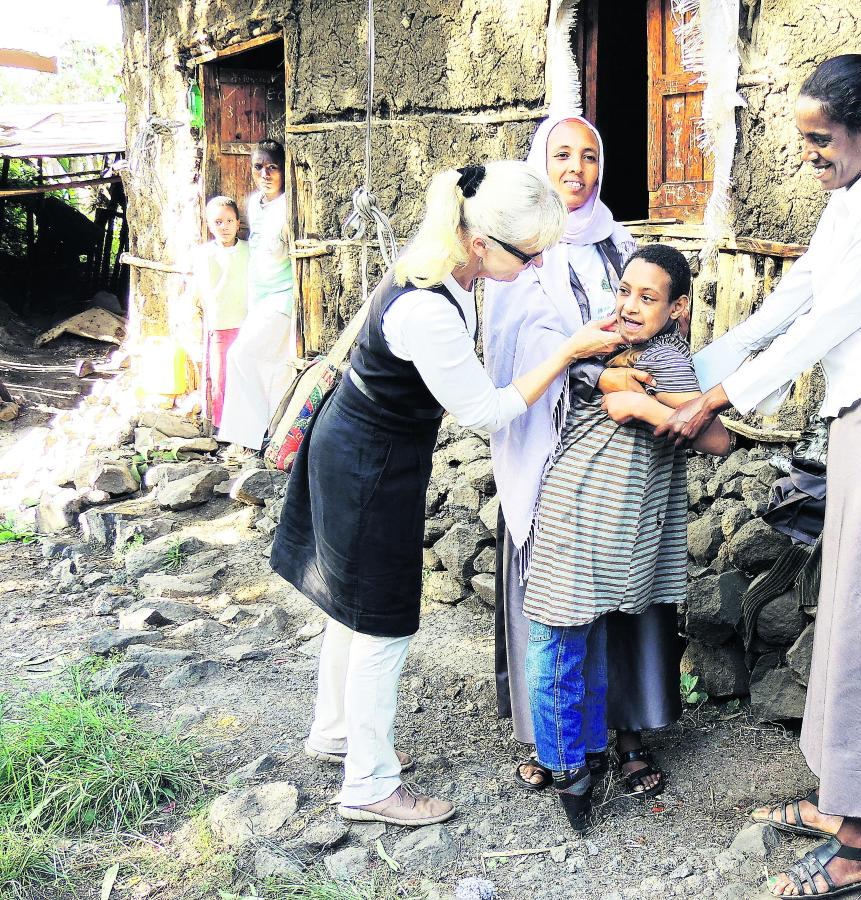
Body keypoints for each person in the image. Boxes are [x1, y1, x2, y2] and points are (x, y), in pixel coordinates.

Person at [656, 55, 861, 897]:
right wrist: (690, 371)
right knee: (855, 613)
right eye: (802, 139)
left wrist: (715, 397)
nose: (808, 153)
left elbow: (827, 325)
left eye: (820, 138)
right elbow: (791, 301)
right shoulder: (851, 205)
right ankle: (849, 804)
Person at [270, 161, 622, 827]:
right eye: (533, 254)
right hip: (368, 463)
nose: (541, 263)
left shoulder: (447, 262)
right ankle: (369, 785)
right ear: (482, 243)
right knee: (381, 621)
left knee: (350, 606)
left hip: (365, 447)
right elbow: (486, 412)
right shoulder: (428, 306)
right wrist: (568, 352)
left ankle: (337, 730)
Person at [484, 112, 680, 800]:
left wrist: (634, 377)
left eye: (590, 156)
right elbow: (516, 355)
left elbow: (646, 331)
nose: (577, 169)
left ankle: (625, 733)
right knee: (558, 604)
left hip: (620, 456)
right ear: (540, 164)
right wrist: (600, 376)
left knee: (623, 590)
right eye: (562, 155)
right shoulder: (516, 256)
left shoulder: (617, 245)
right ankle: (554, 739)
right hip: (550, 448)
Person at [522, 245, 731, 832]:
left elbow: (717, 440)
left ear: (679, 307)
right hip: (575, 503)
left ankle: (575, 761)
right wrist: (625, 391)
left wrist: (641, 401)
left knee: (573, 640)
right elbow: (585, 385)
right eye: (625, 291)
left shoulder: (667, 356)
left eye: (649, 296)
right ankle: (570, 763)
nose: (631, 306)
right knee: (562, 638)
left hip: (610, 515)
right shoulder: (603, 341)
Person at [218, 139, 295, 452]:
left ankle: (250, 435)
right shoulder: (253, 203)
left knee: (241, 355)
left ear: (283, 169)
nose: (265, 173)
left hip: (284, 296)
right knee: (273, 367)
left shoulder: (291, 205)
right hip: (260, 297)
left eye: (272, 167)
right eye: (259, 167)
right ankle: (268, 436)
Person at [192, 196, 249, 429]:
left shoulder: (249, 250)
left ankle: (245, 423)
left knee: (245, 373)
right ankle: (221, 425)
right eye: (218, 222)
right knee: (220, 377)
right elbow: (201, 291)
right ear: (209, 224)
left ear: (238, 223)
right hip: (220, 324)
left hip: (248, 322)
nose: (224, 227)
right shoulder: (204, 254)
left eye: (228, 221)